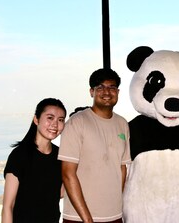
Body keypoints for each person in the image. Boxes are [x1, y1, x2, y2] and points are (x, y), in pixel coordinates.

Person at [58, 68, 131, 223]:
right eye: (100, 87)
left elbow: (122, 167)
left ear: (118, 91)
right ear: (91, 92)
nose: (106, 92)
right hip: (79, 218)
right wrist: (87, 219)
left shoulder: (122, 124)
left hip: (114, 216)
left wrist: (117, 205)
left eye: (111, 87)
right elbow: (67, 173)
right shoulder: (77, 122)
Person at [2, 98, 67, 223]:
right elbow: (7, 207)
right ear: (36, 119)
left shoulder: (61, 155)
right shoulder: (20, 155)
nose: (55, 124)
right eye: (50, 118)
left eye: (61, 120)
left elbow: (59, 193)